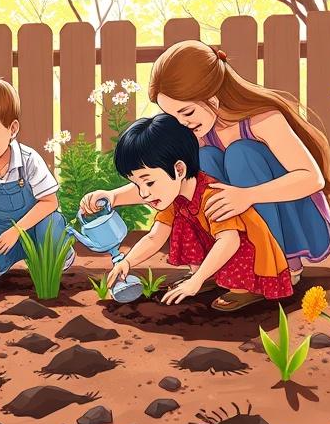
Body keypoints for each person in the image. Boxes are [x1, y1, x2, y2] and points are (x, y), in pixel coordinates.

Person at [82, 40, 330, 301]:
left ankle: (274, 269)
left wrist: (247, 195)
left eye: (187, 111)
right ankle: (221, 269)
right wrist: (113, 197)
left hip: (293, 220)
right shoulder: (200, 134)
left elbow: (310, 178)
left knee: (240, 154)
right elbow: (164, 181)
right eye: (173, 116)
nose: (183, 123)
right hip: (240, 218)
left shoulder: (263, 120)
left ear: (212, 95)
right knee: (203, 159)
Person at [106, 114, 292, 311]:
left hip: (249, 253)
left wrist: (196, 282)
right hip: (217, 243)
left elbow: (230, 242)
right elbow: (155, 237)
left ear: (179, 169)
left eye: (149, 182)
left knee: (218, 237)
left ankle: (242, 289)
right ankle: (206, 275)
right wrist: (127, 262)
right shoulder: (173, 196)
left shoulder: (212, 196)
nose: (144, 193)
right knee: (183, 225)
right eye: (137, 184)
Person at [0, 74, 74, 282]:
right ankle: (2, 259)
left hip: (37, 226)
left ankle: (55, 253)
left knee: (52, 224)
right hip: (3, 230)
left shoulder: (28, 160)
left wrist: (18, 230)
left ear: (12, 129)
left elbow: (49, 202)